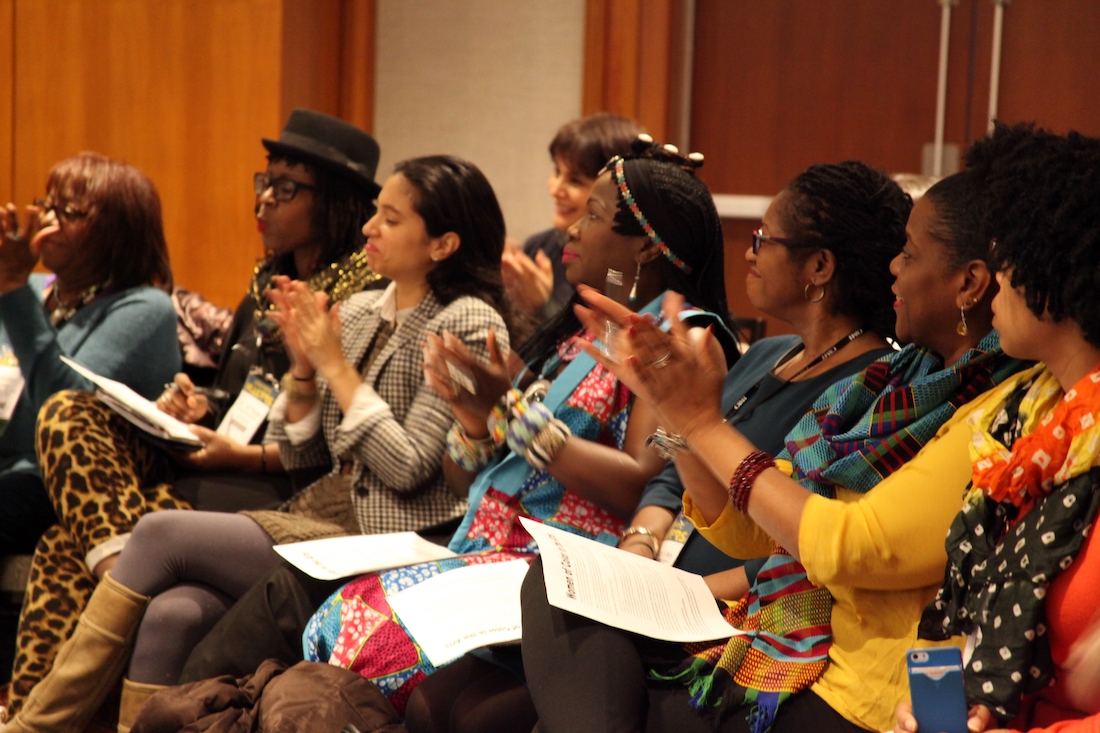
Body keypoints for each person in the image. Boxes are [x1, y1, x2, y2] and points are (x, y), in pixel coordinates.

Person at [521, 147, 1031, 733]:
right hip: (763, 622)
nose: (895, 266)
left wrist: (699, 426)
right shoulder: (889, 383)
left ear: (969, 283)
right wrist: (680, 419)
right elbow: (747, 524)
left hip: (846, 675)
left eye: (910, 255)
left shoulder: (987, 408)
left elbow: (842, 545)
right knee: (553, 588)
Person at [1, 154, 511, 733]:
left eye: (391, 219)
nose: (370, 229)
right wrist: (300, 372)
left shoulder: (468, 320)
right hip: (322, 514)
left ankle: (33, 727)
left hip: (393, 536)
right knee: (173, 612)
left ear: (443, 244)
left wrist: (332, 364)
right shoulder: (366, 308)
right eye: (374, 214)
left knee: (159, 532)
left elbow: (409, 466)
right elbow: (303, 454)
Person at [408, 159, 911, 733]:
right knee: (445, 698)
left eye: (763, 239)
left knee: (482, 716)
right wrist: (641, 546)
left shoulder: (870, 384)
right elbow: (672, 473)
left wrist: (675, 590)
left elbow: (795, 549)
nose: (747, 252)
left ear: (819, 266)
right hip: (660, 583)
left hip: (730, 612)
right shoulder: (771, 354)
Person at [284, 138, 733, 725]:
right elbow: (466, 473)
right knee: (333, 626)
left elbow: (642, 484)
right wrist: (474, 421)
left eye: (593, 215)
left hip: (557, 571)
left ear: (645, 246)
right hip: (483, 548)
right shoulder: (581, 332)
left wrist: (514, 413)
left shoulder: (683, 339)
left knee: (363, 641)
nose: (570, 229)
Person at [5, 109, 386, 717]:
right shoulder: (266, 284)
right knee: (65, 436)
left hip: (282, 494)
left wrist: (250, 452)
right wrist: (200, 404)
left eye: (286, 188)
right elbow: (246, 399)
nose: (264, 198)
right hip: (215, 466)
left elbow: (336, 448)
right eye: (264, 180)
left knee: (59, 527)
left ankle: (109, 589)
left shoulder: (359, 304)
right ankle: (27, 711)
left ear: (337, 202)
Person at [893, 127, 1100, 732]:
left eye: (1010, 258)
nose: (999, 283)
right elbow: (992, 627)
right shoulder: (1022, 419)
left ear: (1055, 271)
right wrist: (951, 703)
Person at [0, 152, 179, 555]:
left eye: (70, 212)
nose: (48, 220)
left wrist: (11, 286)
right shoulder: (32, 293)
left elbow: (61, 409)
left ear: (117, 232)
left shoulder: (144, 309)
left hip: (66, 486)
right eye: (47, 205)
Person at [501, 113, 644, 327]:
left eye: (575, 181)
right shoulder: (539, 247)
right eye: (557, 172)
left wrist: (543, 307)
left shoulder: (619, 261)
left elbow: (608, 342)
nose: (556, 189)